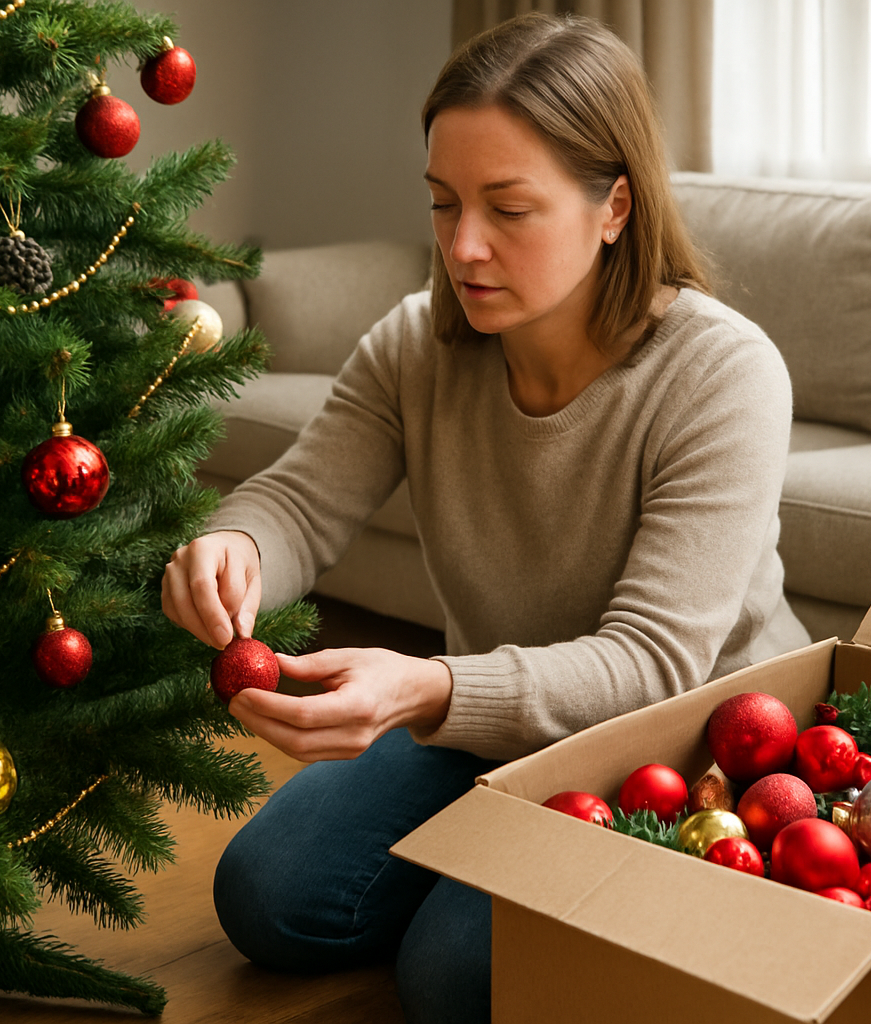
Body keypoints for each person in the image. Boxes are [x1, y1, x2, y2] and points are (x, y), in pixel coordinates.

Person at [161, 11, 810, 1023]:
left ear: (614, 206)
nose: (464, 246)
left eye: (509, 209)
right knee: (267, 896)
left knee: (451, 977)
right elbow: (298, 501)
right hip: (492, 724)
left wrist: (428, 687)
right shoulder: (416, 344)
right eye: (443, 202)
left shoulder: (722, 372)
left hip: (678, 748)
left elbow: (652, 662)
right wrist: (234, 545)